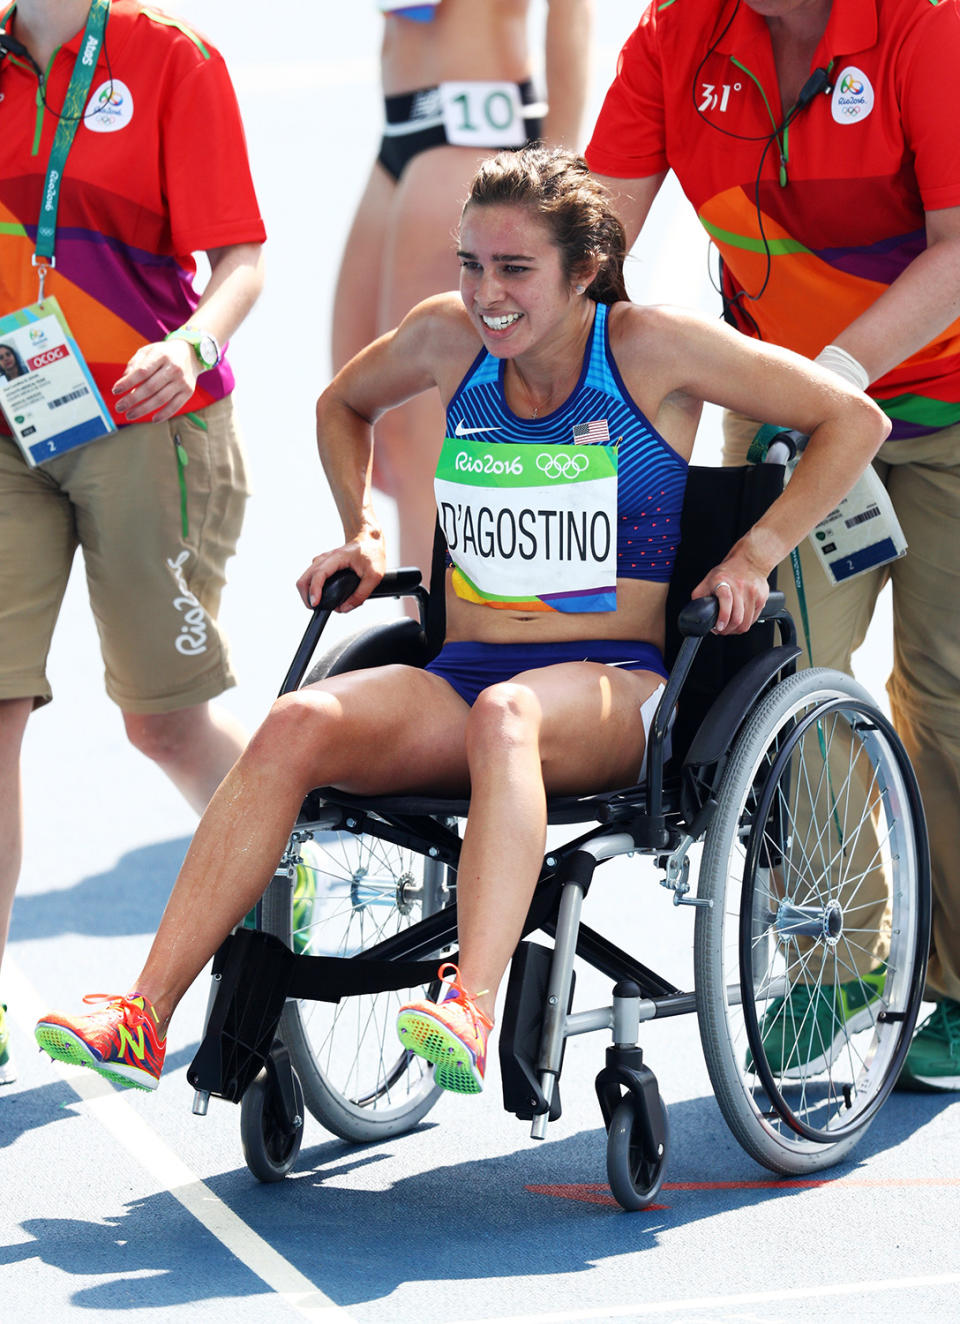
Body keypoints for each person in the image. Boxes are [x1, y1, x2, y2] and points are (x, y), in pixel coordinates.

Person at [33, 147, 888, 1096]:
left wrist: (754, 554)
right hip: (459, 674)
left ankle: (469, 1007)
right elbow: (341, 404)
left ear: (584, 271)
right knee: (295, 722)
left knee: (508, 717)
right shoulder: (449, 339)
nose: (488, 293)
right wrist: (358, 529)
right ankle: (143, 1016)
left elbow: (853, 420)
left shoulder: (655, 348)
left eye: (516, 270)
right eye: (472, 265)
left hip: (611, 689)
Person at [584, 0, 960, 1090]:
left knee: (944, 696)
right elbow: (591, 235)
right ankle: (837, 956)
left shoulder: (925, 26)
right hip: (792, 406)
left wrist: (835, 376)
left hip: (938, 403)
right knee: (776, 676)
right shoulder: (676, 34)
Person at [0, 0, 265, 1083]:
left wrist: (194, 336)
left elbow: (241, 255)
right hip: (11, 423)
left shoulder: (174, 60)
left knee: (162, 724)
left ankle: (293, 895)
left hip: (149, 421)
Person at [332, 0, 592, 582]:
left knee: (433, 432)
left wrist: (558, 175)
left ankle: (440, 642)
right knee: (377, 428)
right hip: (401, 127)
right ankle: (433, 620)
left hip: (475, 126)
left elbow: (570, 10)